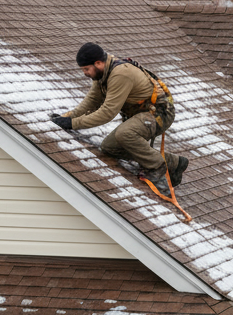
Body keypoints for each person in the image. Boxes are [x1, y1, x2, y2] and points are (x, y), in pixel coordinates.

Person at [51, 42, 189, 198]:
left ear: (98, 63)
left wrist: (73, 124)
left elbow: (107, 113)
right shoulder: (102, 74)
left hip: (158, 114)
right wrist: (67, 117)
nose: (85, 73)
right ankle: (174, 162)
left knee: (125, 134)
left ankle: (156, 168)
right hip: (141, 116)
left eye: (86, 69)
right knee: (109, 147)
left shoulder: (120, 74)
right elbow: (92, 101)